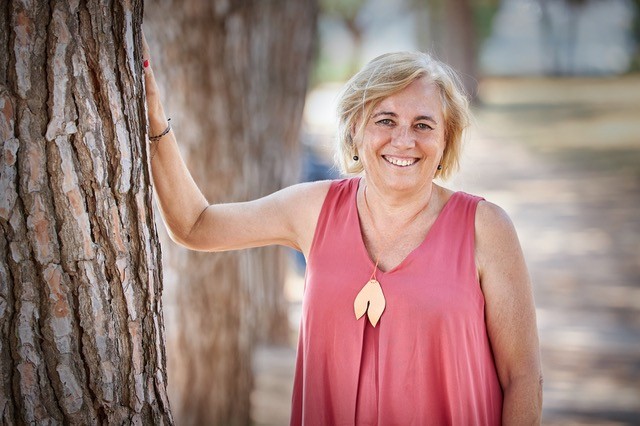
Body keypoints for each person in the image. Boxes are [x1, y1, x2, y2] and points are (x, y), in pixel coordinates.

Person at [142, 34, 543, 425]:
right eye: (385, 120)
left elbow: (522, 378)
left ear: (445, 140)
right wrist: (154, 122)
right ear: (355, 128)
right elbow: (196, 225)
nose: (403, 140)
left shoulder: (486, 228)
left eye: (424, 125)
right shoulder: (314, 209)